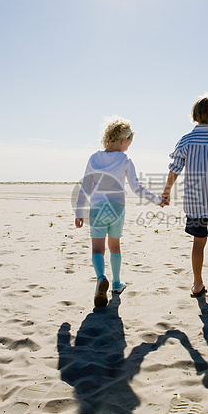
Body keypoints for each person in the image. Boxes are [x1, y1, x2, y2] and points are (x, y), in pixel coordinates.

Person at [75, 116, 165, 307]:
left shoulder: (94, 158)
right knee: (114, 245)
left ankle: (101, 278)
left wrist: (79, 212)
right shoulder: (125, 159)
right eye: (129, 143)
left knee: (97, 248)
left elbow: (85, 187)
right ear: (123, 140)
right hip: (117, 208)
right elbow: (136, 188)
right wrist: (157, 200)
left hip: (97, 208)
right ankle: (116, 283)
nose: (128, 147)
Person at [162, 93, 208, 297]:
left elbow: (175, 169)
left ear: (194, 117)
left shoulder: (186, 140)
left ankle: (197, 284)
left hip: (195, 201)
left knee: (199, 241)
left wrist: (167, 191)